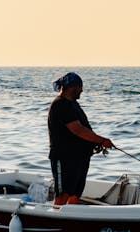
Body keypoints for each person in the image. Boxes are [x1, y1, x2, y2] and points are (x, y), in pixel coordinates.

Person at [48, 71, 114, 205]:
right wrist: (101, 140)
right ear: (72, 87)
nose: (82, 90)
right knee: (64, 192)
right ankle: (56, 217)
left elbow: (85, 127)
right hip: (64, 157)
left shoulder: (73, 104)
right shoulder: (60, 104)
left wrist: (93, 143)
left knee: (75, 192)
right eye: (80, 87)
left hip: (80, 157)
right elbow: (77, 129)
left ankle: (70, 217)